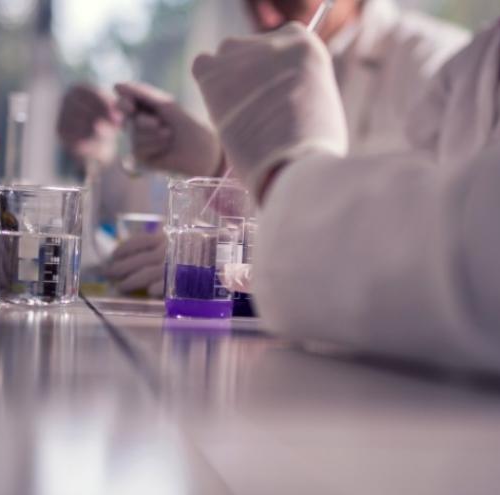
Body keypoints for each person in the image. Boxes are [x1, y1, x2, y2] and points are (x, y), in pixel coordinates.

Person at [189, 4, 500, 368]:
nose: (265, 18)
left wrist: (287, 179)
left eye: (288, 0)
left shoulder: (431, 54)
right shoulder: (481, 58)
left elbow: (488, 263)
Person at [108, 0, 470, 296]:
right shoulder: (270, 57)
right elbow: (283, 205)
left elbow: (424, 247)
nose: (264, 16)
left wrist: (240, 263)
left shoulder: (437, 63)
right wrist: (212, 158)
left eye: (287, 1)